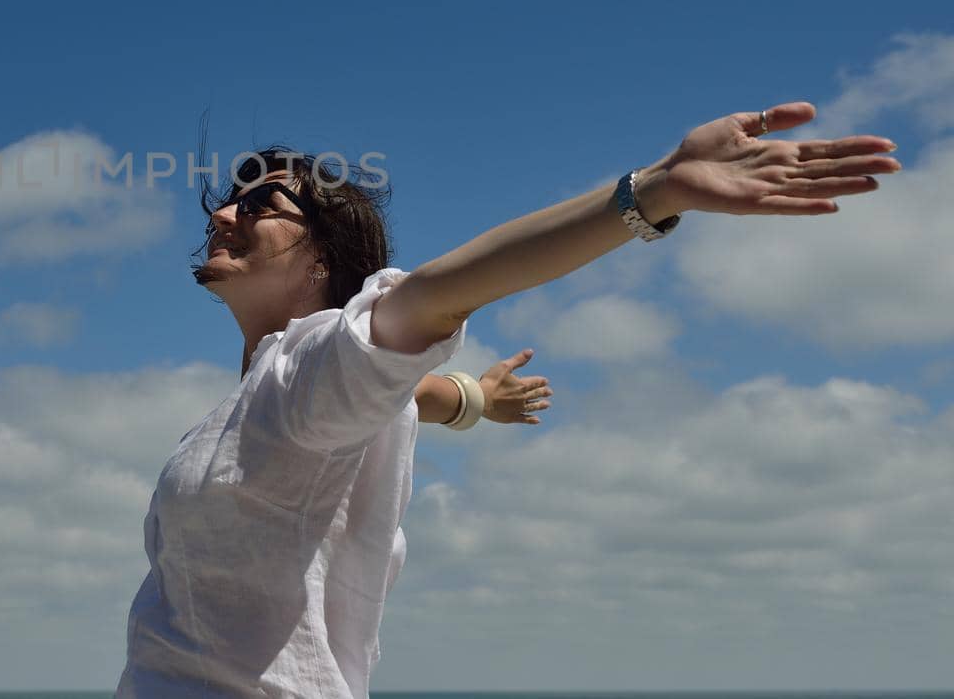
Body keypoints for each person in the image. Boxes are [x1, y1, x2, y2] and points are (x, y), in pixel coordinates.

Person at [115, 102, 898, 697]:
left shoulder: (309, 368)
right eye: (229, 202)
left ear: (323, 256)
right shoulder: (277, 395)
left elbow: (436, 296)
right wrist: (470, 401)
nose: (224, 213)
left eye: (259, 207)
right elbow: (394, 399)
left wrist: (651, 192)